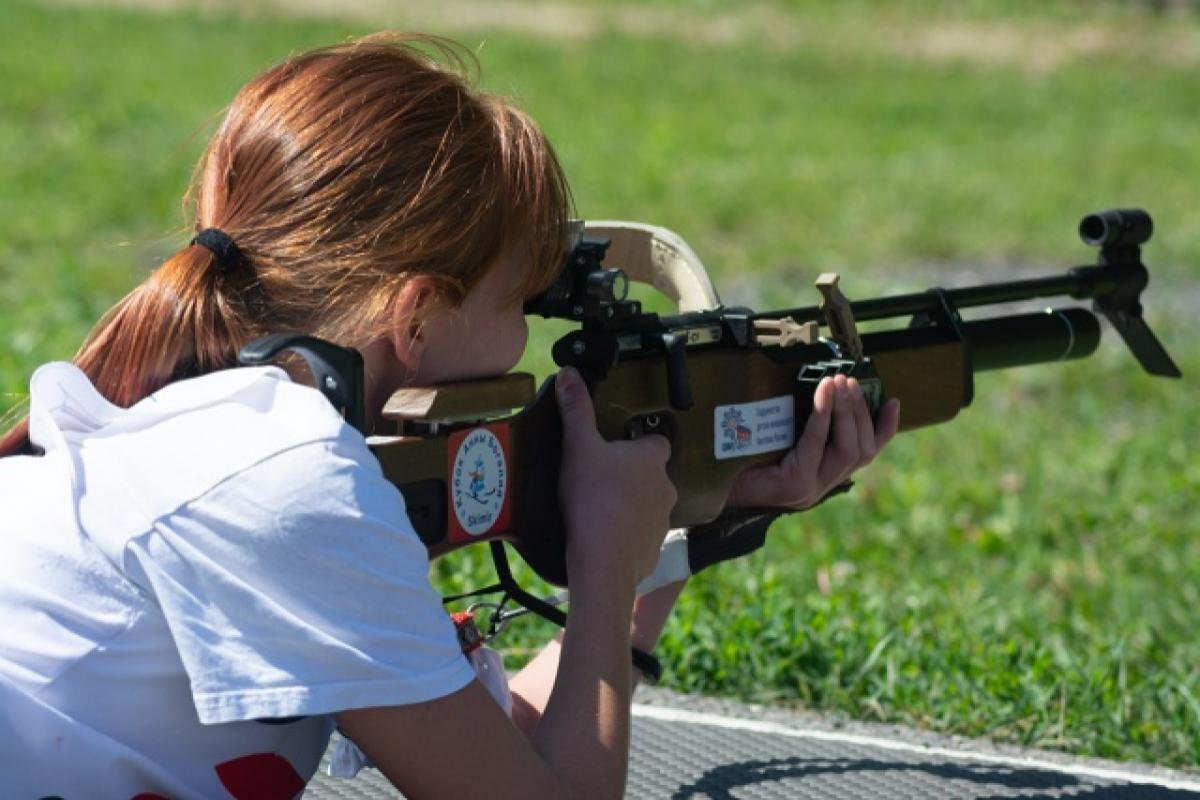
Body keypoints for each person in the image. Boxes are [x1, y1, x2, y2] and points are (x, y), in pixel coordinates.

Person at [0, 33, 899, 798]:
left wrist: (675, 528)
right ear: (419, 318)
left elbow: (508, 755)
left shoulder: (204, 415)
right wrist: (602, 571)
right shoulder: (290, 477)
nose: (524, 346)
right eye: (522, 301)